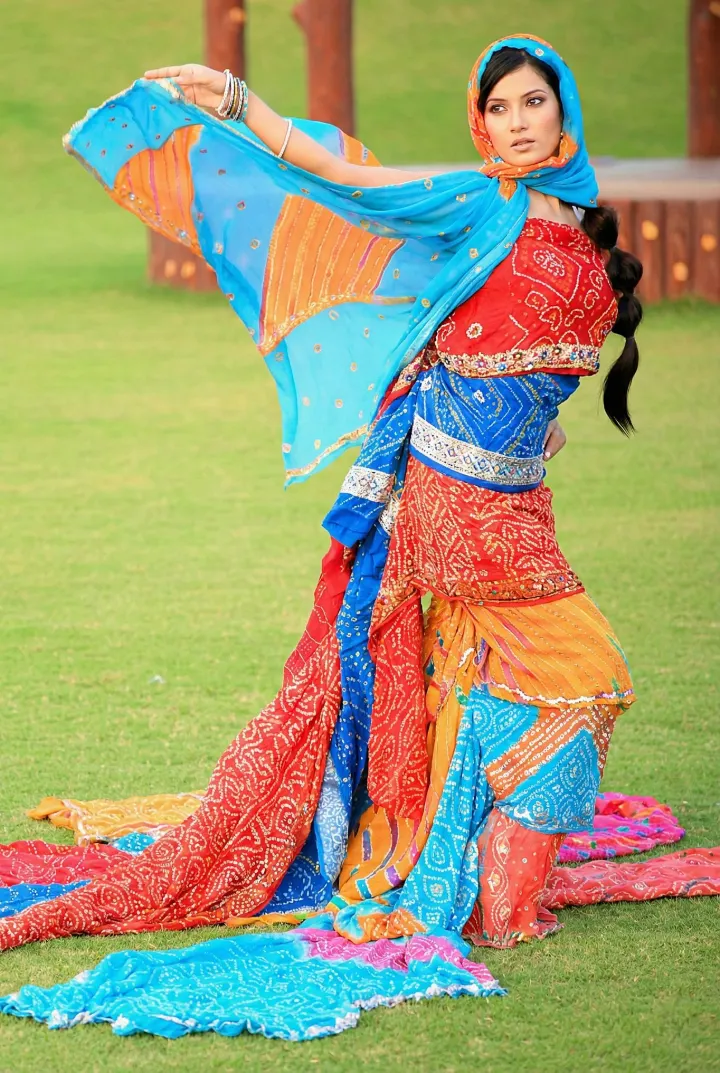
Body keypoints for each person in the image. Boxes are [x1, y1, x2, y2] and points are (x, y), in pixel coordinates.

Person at [1, 35, 716, 1042]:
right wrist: (234, 99)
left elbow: (525, 369)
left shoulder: (585, 230)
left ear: (564, 112)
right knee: (587, 675)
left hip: (516, 502)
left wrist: (533, 423)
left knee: (479, 675)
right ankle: (489, 889)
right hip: (456, 507)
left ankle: (465, 861)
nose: (517, 122)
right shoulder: (482, 204)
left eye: (533, 103)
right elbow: (345, 179)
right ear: (481, 123)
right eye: (499, 107)